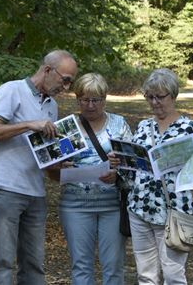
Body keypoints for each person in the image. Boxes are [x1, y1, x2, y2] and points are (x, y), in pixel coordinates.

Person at [0, 50, 78, 284]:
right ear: (47, 70)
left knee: (34, 265)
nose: (65, 87)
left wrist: (59, 163)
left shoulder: (51, 106)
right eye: (64, 79)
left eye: (70, 82)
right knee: (3, 262)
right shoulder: (11, 90)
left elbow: (43, 157)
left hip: (35, 192)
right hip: (5, 188)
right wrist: (28, 124)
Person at [122, 68, 193, 284]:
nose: (154, 102)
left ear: (173, 95)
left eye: (160, 97)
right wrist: (121, 162)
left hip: (173, 209)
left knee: (173, 275)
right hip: (140, 207)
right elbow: (133, 169)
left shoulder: (189, 128)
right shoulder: (144, 126)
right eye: (149, 97)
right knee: (146, 275)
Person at [50, 73, 132, 285]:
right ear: (77, 99)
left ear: (104, 99)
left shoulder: (118, 124)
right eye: (84, 99)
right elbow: (52, 171)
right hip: (74, 205)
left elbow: (132, 164)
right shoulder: (67, 129)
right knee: (81, 265)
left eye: (96, 100)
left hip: (112, 205)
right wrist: (58, 166)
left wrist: (117, 172)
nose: (90, 105)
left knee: (113, 265)